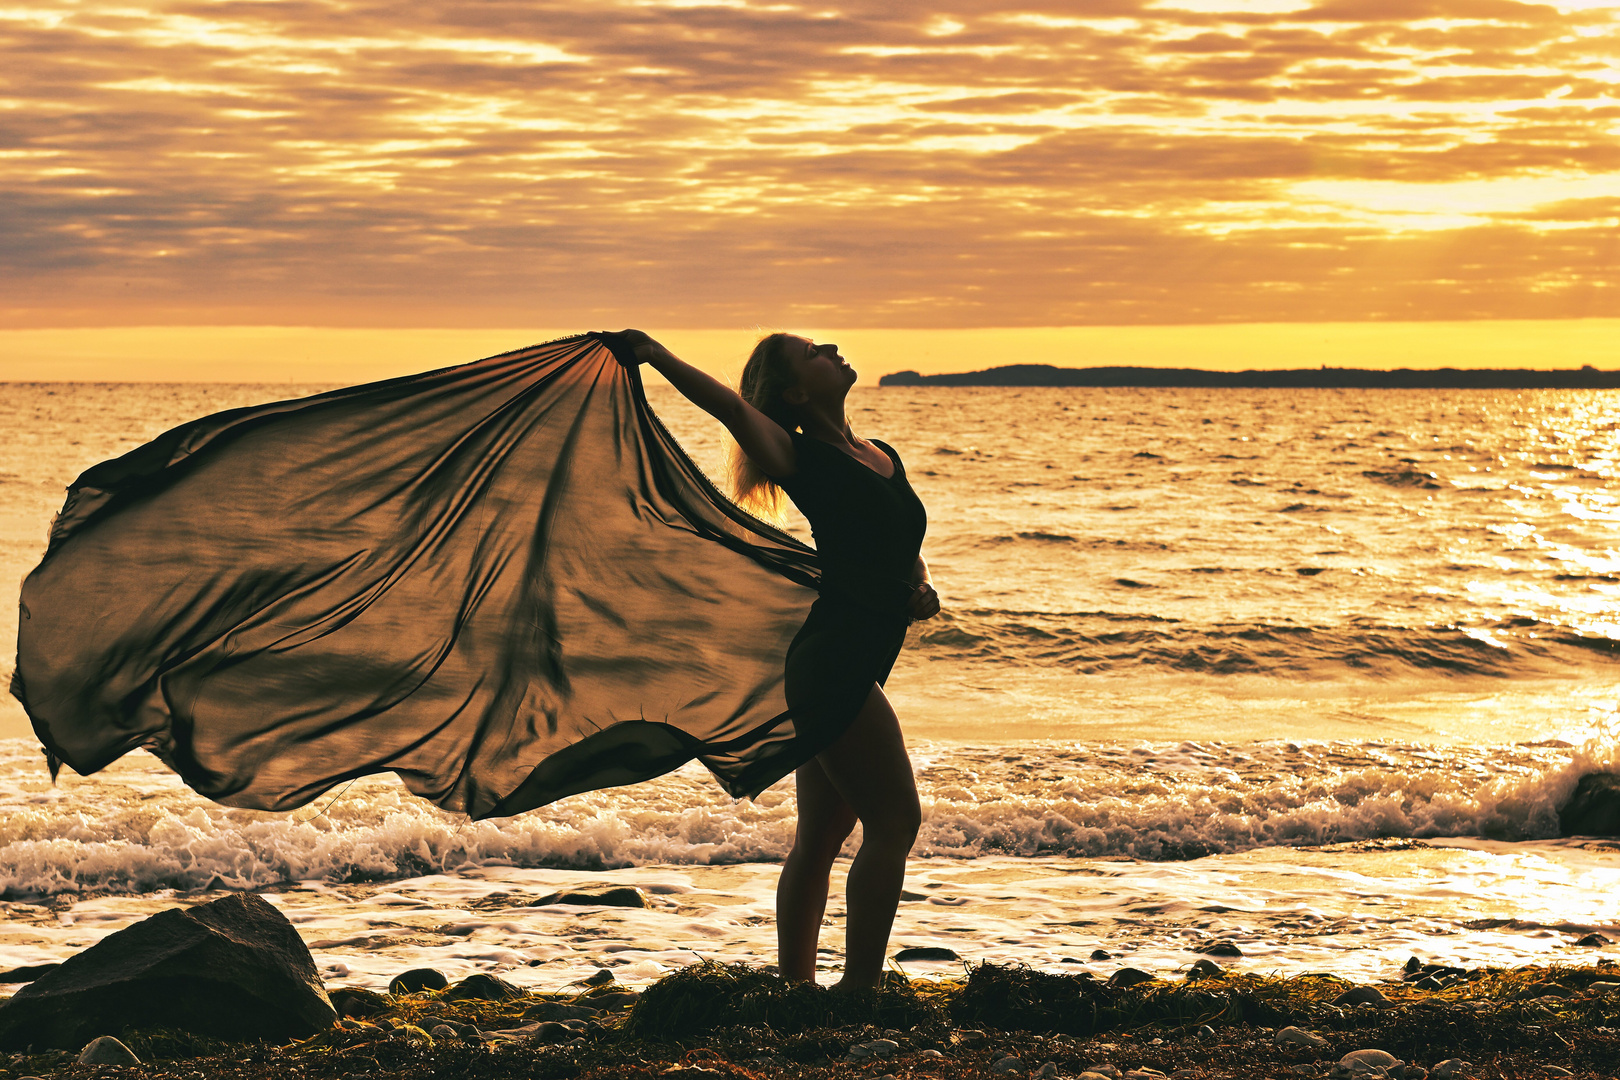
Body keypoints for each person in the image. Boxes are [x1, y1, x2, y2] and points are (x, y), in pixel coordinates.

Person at [625, 329, 939, 991]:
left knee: (822, 837)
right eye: (812, 352)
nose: (831, 348)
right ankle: (860, 991)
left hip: (860, 653)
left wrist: (918, 585)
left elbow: (897, 540)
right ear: (796, 392)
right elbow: (732, 411)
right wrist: (656, 356)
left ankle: (796, 990)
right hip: (834, 663)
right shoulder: (799, 455)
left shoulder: (880, 454)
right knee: (895, 821)